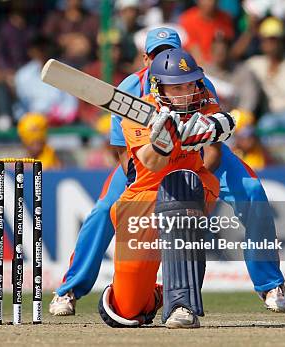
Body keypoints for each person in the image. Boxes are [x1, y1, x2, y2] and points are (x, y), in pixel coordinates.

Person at [50, 27, 285, 317]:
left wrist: (189, 186)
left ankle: (269, 284)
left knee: (251, 191)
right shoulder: (129, 91)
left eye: (170, 53)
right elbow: (123, 152)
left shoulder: (198, 84)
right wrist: (157, 185)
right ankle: (70, 289)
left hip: (197, 159)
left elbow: (212, 150)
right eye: (157, 55)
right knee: (103, 211)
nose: (165, 60)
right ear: (146, 58)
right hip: (145, 163)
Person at [99, 48, 233, 328]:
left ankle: (181, 304)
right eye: (176, 87)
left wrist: (213, 126)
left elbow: (225, 123)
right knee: (127, 309)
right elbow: (150, 162)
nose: (186, 92)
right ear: (158, 86)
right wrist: (163, 142)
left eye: (189, 84)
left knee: (180, 186)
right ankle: (154, 297)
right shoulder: (139, 111)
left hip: (191, 187)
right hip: (143, 197)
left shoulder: (203, 100)